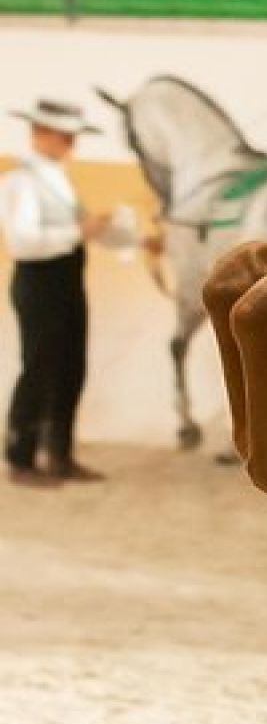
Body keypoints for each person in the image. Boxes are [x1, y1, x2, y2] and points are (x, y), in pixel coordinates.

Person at [3, 99, 110, 487]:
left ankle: (58, 453)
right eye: (65, 137)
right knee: (38, 367)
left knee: (70, 367)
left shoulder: (57, 180)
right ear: (41, 134)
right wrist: (77, 233)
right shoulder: (21, 182)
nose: (70, 144)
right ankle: (21, 458)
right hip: (39, 282)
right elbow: (23, 242)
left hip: (65, 282)